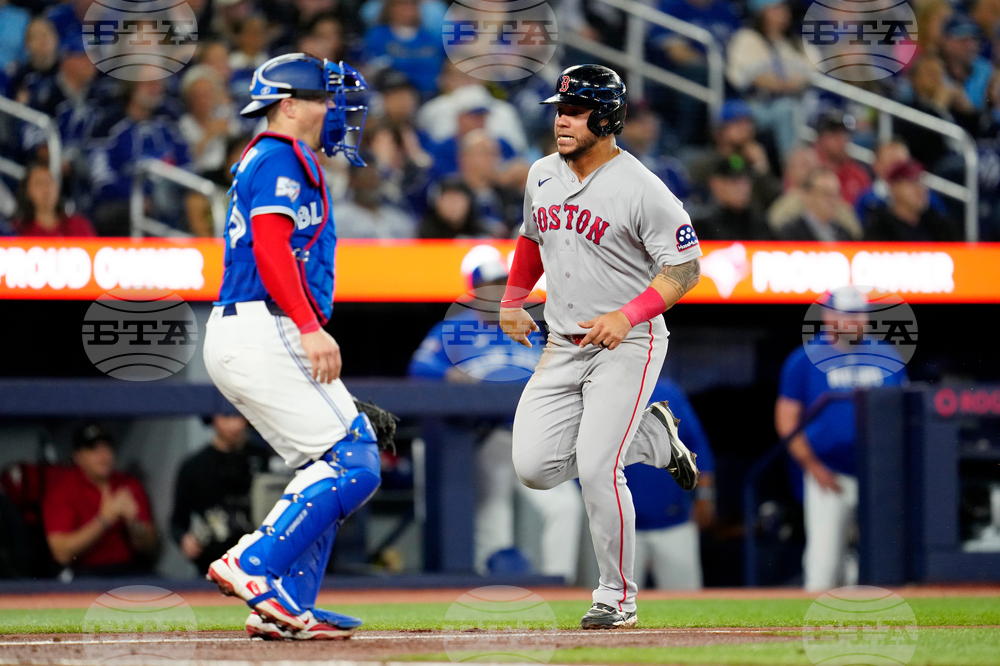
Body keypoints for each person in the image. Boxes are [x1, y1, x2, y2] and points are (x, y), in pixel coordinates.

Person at [500, 65, 701, 630]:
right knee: (534, 467)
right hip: (562, 343)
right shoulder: (541, 173)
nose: (562, 119)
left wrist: (629, 313)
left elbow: (685, 269)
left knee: (596, 467)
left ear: (608, 118)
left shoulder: (642, 187)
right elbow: (531, 238)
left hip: (627, 342)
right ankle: (654, 437)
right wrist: (515, 300)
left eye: (577, 110)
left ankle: (616, 596)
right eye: (561, 109)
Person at [202, 53, 394, 641]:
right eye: (322, 97)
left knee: (332, 461)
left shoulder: (279, 156)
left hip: (259, 326)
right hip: (267, 323)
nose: (333, 108)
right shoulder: (280, 154)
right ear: (289, 105)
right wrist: (310, 327)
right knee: (353, 460)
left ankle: (282, 605)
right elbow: (269, 247)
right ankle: (254, 565)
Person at [408, 261, 585, 581]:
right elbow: (419, 368)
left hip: (535, 431)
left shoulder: (528, 326)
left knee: (564, 506)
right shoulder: (454, 328)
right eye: (492, 285)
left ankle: (562, 583)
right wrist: (449, 373)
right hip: (486, 437)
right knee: (493, 511)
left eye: (505, 284)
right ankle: (492, 582)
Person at [776, 287, 908, 591]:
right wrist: (812, 465)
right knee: (824, 563)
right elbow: (786, 419)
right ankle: (815, 630)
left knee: (886, 562)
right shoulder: (805, 358)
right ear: (828, 316)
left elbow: (904, 413)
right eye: (846, 315)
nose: (854, 321)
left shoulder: (887, 355)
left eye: (859, 314)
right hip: (829, 473)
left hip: (880, 474)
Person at [626, 379, 715, 590]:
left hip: (674, 521)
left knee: (687, 607)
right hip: (618, 527)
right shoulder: (598, 390)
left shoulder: (668, 393)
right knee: (613, 608)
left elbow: (697, 446)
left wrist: (705, 496)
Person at [41, 424, 157, 575]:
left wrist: (134, 523)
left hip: (128, 571)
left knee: (168, 590)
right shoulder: (62, 489)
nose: (103, 455)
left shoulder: (128, 484)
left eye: (106, 447)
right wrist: (104, 520)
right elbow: (61, 554)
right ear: (78, 457)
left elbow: (151, 548)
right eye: (93, 449)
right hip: (83, 574)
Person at [171, 414, 271, 574]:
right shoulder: (194, 466)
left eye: (239, 416)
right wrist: (184, 539)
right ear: (214, 418)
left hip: (262, 561)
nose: (235, 425)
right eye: (227, 417)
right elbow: (177, 521)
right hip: (214, 564)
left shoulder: (264, 458)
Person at [726, 0, 812, 160]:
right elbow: (749, 78)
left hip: (791, 102)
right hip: (753, 104)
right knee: (786, 109)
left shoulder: (791, 43)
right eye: (777, 9)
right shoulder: (746, 38)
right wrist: (785, 84)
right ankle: (792, 165)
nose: (784, 13)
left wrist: (797, 81)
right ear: (763, 12)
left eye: (784, 8)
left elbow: (811, 71)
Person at [767, 145, 862, 237]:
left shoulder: (839, 205)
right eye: (805, 165)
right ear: (789, 171)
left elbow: (855, 233)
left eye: (814, 165)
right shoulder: (784, 208)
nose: (811, 170)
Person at [864, 160, 963, 241]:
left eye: (920, 182)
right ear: (893, 188)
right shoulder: (879, 228)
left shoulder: (939, 225)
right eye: (911, 183)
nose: (919, 189)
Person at [693, 154, 772, 240]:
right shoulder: (702, 227)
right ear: (715, 184)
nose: (742, 188)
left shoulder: (760, 225)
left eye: (745, 181)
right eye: (734, 181)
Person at [14, 162, 96, 237]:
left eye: (49, 182)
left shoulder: (79, 226)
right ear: (27, 191)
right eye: (38, 183)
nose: (46, 189)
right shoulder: (18, 230)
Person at [777, 168, 860, 241]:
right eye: (826, 193)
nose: (833, 200)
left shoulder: (845, 234)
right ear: (808, 196)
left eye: (836, 194)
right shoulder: (790, 234)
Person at [812, 110, 871, 207]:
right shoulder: (807, 166)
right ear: (820, 138)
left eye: (844, 134)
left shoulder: (857, 173)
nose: (841, 140)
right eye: (834, 134)